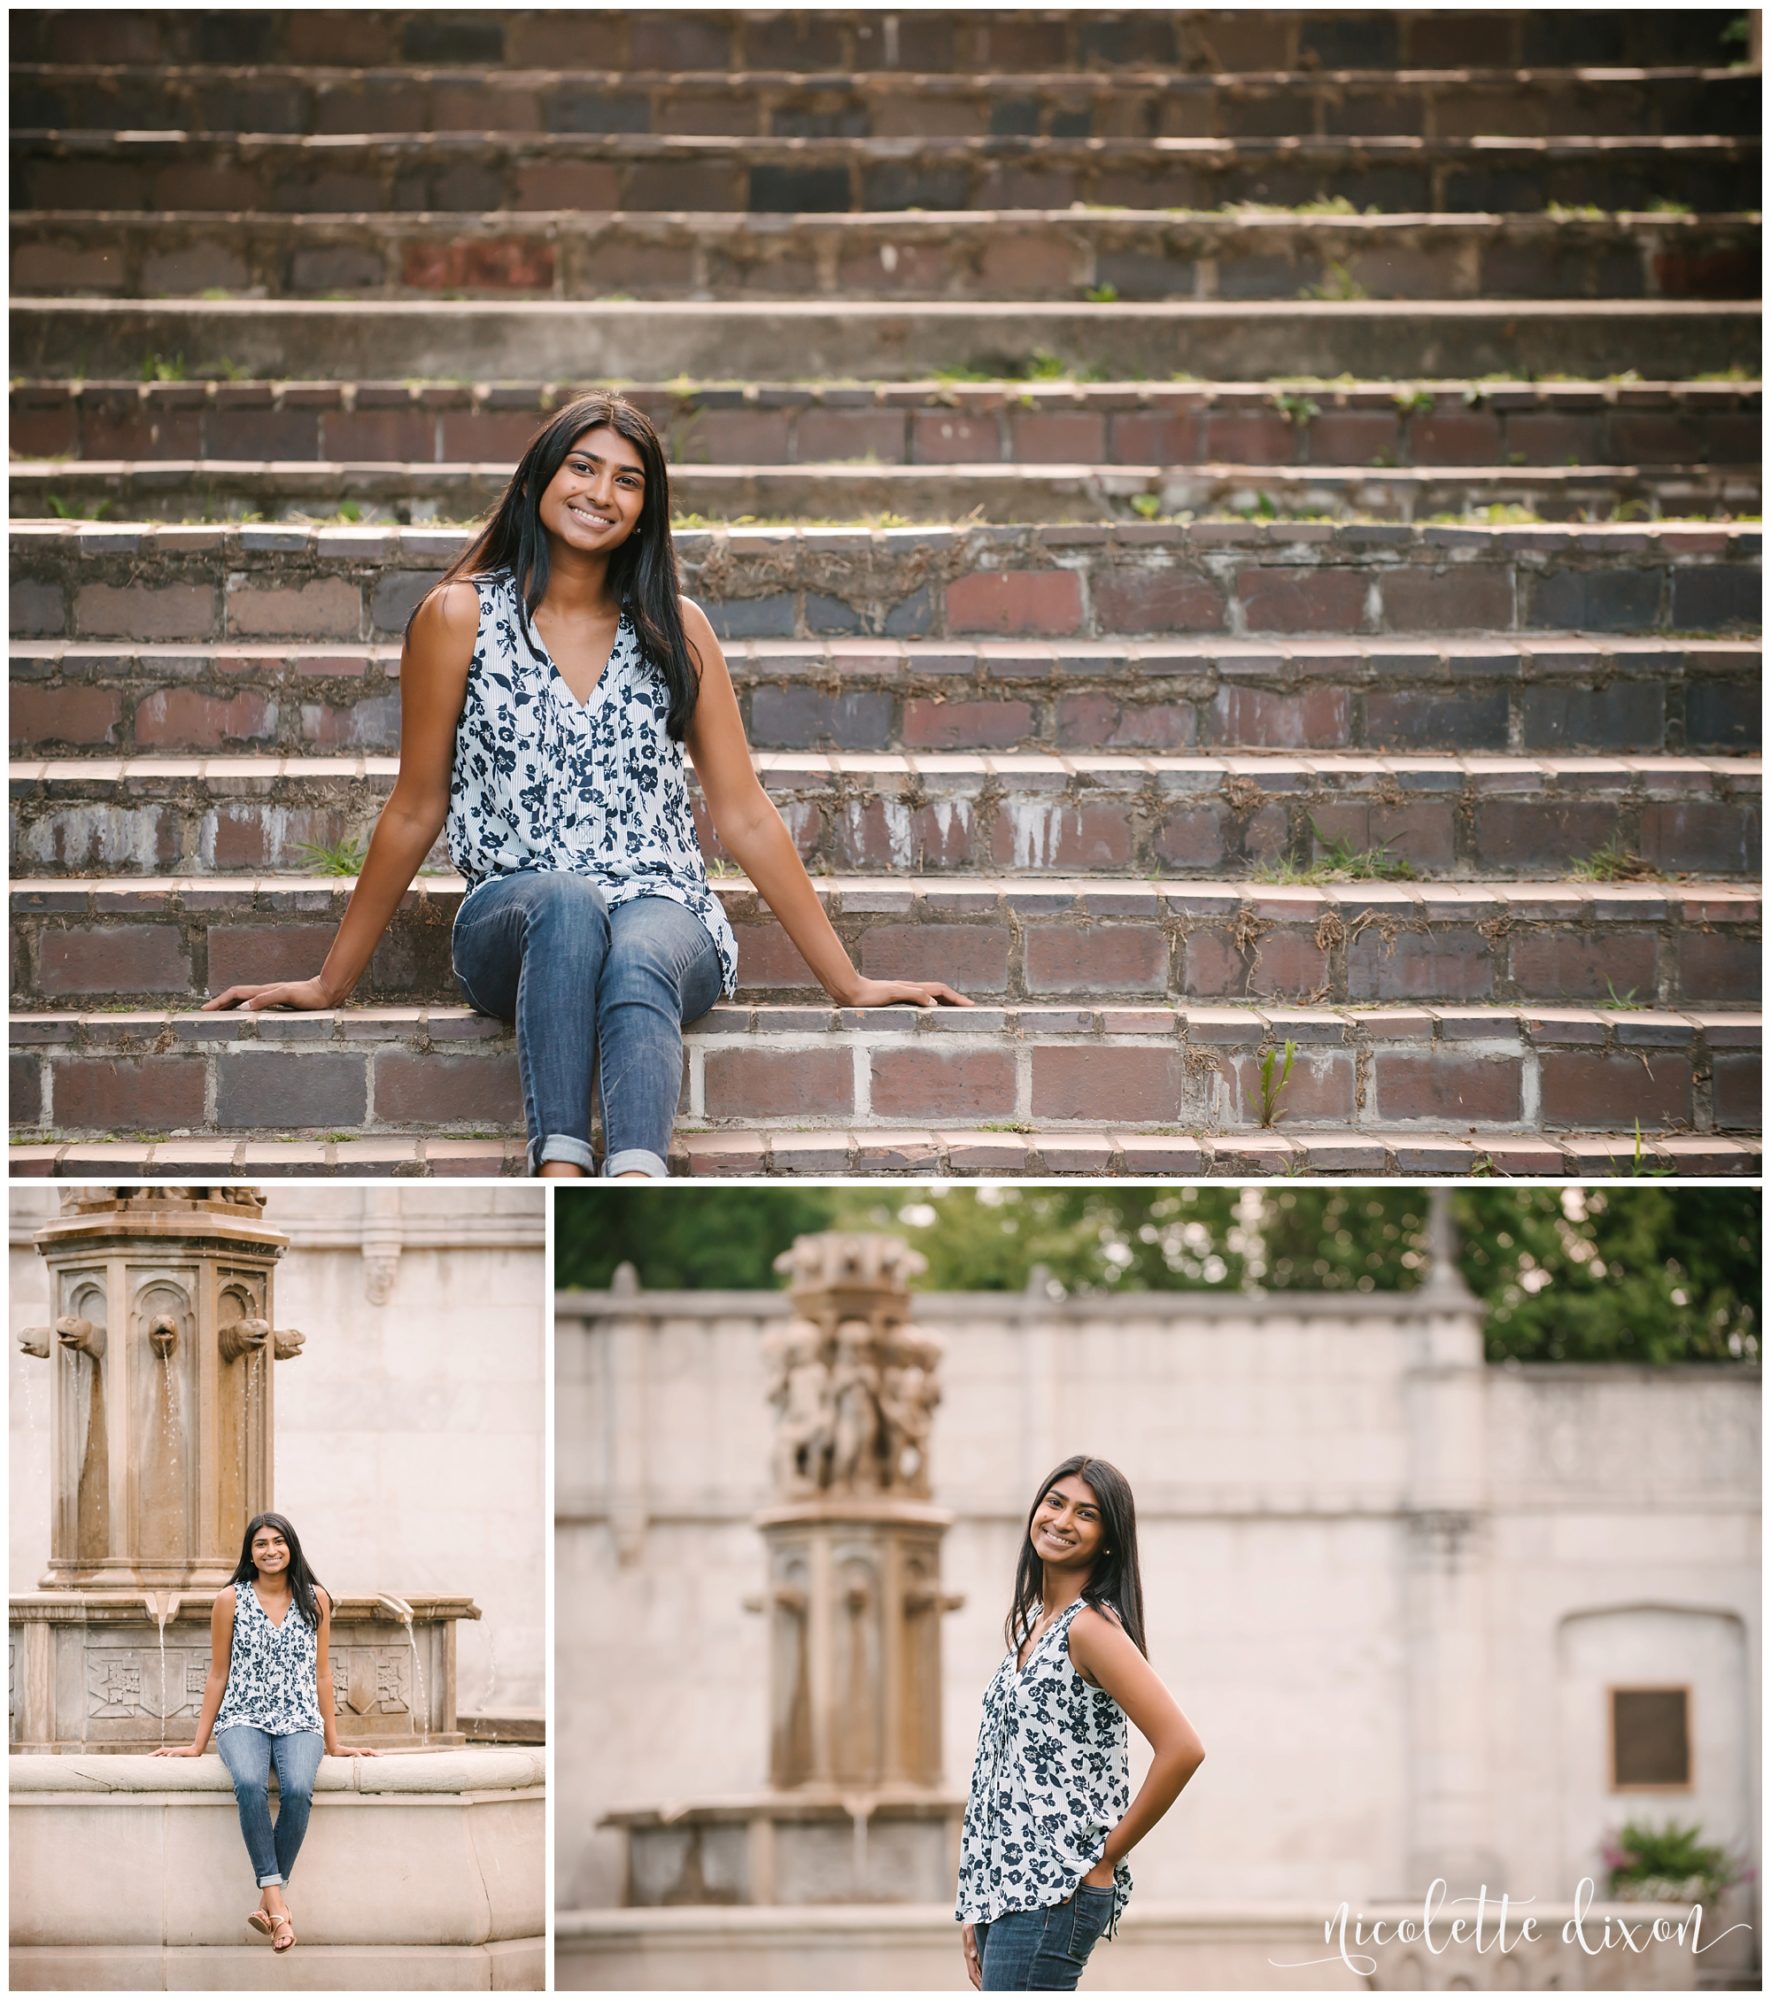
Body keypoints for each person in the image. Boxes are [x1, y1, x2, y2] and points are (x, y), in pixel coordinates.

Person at [203, 391, 971, 1176]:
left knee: (638, 948)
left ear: (645, 510)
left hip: (663, 908)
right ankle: (560, 1169)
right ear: (540, 479)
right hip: (517, 920)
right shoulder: (457, 618)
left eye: (627, 481)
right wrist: (331, 983)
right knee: (565, 901)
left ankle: (634, 1175)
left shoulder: (676, 627)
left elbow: (743, 815)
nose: (600, 494)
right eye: (582, 468)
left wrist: (849, 983)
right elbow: (415, 807)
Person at [956, 1456, 1205, 1991]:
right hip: (1008, 1893)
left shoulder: (1090, 1628)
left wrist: (1105, 1858)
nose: (1062, 1520)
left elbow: (1182, 1747)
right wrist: (978, 1900)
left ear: (1109, 1540)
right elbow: (998, 1777)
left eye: (1086, 1514)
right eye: (1055, 1502)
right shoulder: (1032, 1626)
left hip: (1054, 1890)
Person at [153, 1512, 377, 1953]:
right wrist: (198, 1744)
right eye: (261, 1544)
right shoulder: (229, 1600)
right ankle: (278, 1906)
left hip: (300, 1719)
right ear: (250, 1553)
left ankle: (269, 1899)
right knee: (251, 1784)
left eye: (278, 1541)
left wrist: (334, 1742)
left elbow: (322, 1674)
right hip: (241, 1717)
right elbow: (218, 1673)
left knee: (296, 1788)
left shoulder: (316, 1599)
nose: (270, 1550)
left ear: (291, 1547)